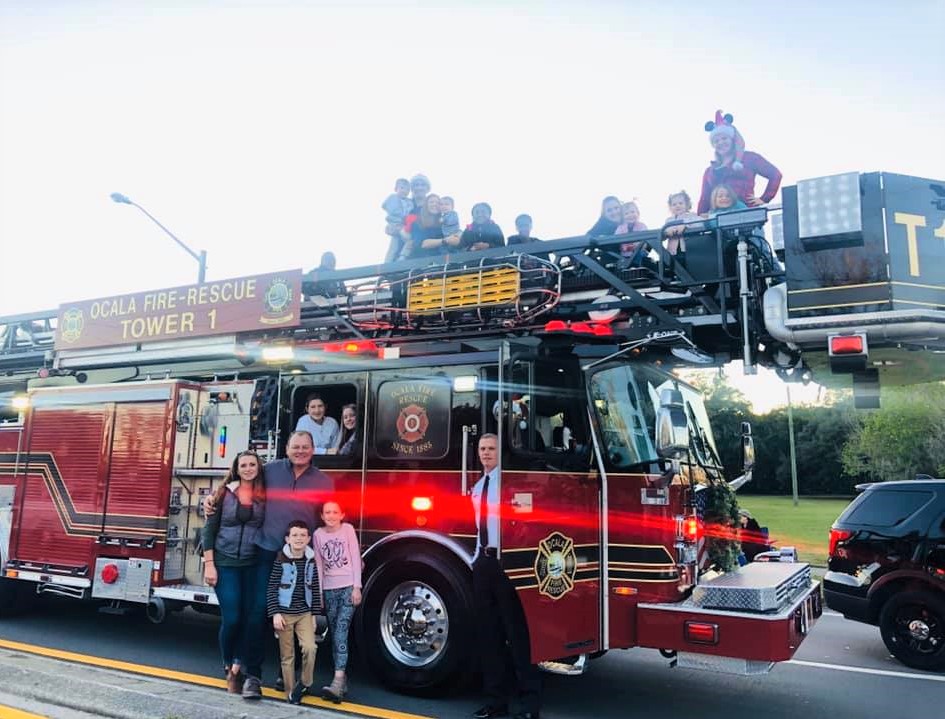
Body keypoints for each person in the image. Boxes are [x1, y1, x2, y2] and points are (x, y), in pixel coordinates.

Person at [204, 430, 334, 697]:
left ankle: (285, 675)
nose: (300, 451)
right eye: (295, 446)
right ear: (286, 448)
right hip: (264, 552)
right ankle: (253, 676)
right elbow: (240, 481)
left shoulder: (323, 481)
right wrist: (209, 501)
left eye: (305, 447)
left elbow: (327, 521)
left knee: (295, 614)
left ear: (313, 449)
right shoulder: (270, 470)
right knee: (257, 612)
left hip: (299, 559)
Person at [471, 434, 540, 719]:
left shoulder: (512, 484)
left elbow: (526, 521)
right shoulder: (477, 486)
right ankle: (496, 702)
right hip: (484, 562)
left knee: (518, 635)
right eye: (482, 449)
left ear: (501, 452)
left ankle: (528, 707)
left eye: (491, 449)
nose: (486, 454)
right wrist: (476, 558)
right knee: (489, 637)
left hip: (508, 564)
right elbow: (479, 526)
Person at [201, 450, 267, 696]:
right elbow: (208, 531)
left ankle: (238, 666)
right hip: (225, 563)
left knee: (250, 618)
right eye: (244, 465)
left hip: (251, 564)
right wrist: (210, 564)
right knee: (233, 618)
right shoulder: (223, 493)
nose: (248, 468)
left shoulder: (265, 494)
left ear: (258, 467)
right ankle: (228, 662)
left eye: (252, 464)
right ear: (236, 468)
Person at [313, 500, 363, 703]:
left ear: (342, 514)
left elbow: (355, 557)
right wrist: (319, 595)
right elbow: (318, 564)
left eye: (335, 512)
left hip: (348, 589)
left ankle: (337, 679)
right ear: (322, 516)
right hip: (329, 590)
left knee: (341, 632)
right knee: (335, 636)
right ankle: (342, 681)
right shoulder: (318, 535)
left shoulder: (348, 530)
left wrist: (357, 587)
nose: (331, 515)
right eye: (327, 512)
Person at [266, 520, 320, 704]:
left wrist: (314, 616)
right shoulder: (281, 560)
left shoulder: (311, 561)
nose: (299, 539)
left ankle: (305, 683)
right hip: (284, 613)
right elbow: (272, 588)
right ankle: (291, 692)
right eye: (295, 535)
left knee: (310, 648)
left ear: (308, 539)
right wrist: (275, 613)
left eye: (303, 535)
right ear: (287, 539)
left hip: (304, 612)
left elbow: (314, 588)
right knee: (287, 655)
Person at [696, 110, 782, 215]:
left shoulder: (749, 158)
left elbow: (775, 175)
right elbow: (704, 197)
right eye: (716, 141)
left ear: (733, 139)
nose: (721, 143)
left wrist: (764, 198)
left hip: (746, 216)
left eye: (724, 138)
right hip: (719, 221)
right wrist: (700, 218)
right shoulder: (710, 171)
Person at [382, 178, 413, 263]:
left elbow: (412, 212)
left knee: (395, 244)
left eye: (407, 189)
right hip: (396, 224)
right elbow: (392, 210)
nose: (404, 191)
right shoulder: (393, 198)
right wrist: (404, 218)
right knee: (409, 240)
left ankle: (394, 260)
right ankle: (401, 258)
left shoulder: (409, 201)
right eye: (402, 188)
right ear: (396, 189)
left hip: (404, 225)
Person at [663, 190, 702, 255]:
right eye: (674, 204)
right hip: (673, 252)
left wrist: (686, 226)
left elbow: (701, 223)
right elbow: (663, 231)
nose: (677, 206)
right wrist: (667, 232)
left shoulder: (692, 216)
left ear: (687, 205)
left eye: (680, 203)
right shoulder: (669, 220)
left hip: (689, 249)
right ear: (670, 207)